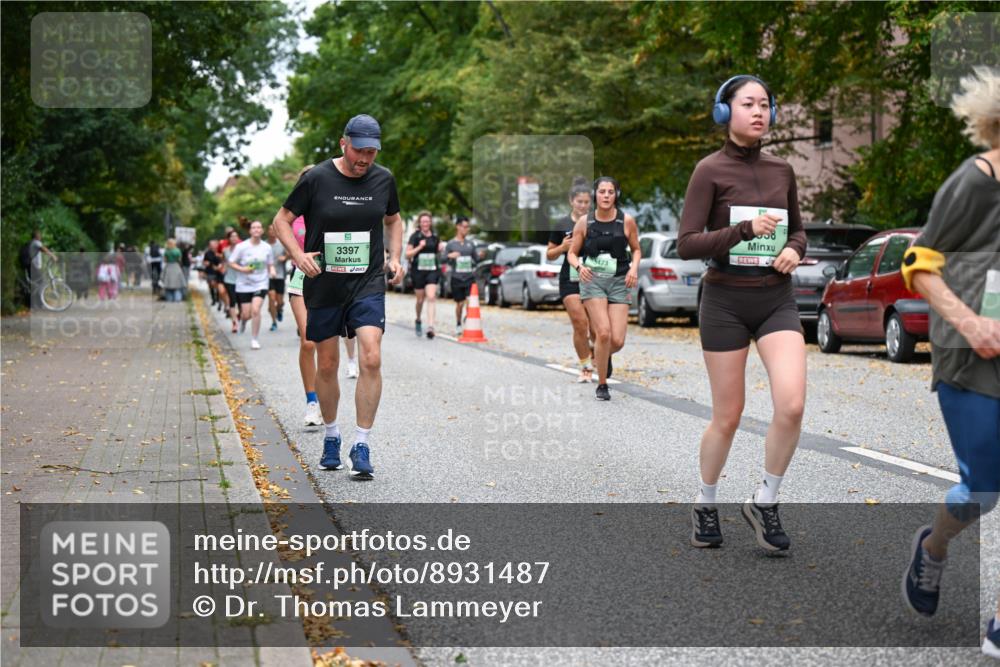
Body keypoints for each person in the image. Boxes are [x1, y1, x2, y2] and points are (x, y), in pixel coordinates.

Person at [675, 75, 807, 553]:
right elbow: (687, 244)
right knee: (728, 415)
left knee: (791, 404)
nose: (759, 111)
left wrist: (794, 249)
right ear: (723, 111)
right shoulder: (708, 170)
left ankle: (766, 500)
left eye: (766, 104)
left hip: (776, 298)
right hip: (725, 300)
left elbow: (798, 231)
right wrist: (744, 230)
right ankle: (705, 501)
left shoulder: (782, 170)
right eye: (748, 103)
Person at [897, 67, 1000, 659]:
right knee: (983, 490)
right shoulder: (974, 182)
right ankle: (934, 548)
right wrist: (970, 322)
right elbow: (919, 262)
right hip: (971, 356)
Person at [272, 114, 403, 480]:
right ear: (343, 143)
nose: (365, 159)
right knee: (326, 365)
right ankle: (332, 435)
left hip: (367, 282)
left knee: (371, 357)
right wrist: (298, 255)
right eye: (359, 150)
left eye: (372, 152)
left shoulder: (384, 178)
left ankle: (361, 444)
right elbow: (280, 220)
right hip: (325, 283)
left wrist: (395, 257)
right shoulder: (316, 178)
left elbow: (393, 220)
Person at [567, 177, 640, 401]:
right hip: (593, 280)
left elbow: (636, 250)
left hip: (620, 280)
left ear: (616, 194)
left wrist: (634, 269)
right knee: (604, 332)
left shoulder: (626, 221)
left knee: (616, 340)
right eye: (602, 192)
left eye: (610, 192)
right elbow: (571, 253)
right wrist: (579, 267)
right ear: (595, 195)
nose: (606, 196)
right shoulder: (584, 223)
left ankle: (601, 351)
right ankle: (602, 385)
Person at [548, 178, 595, 383]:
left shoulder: (597, 222)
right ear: (571, 201)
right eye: (580, 202)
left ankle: (597, 353)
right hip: (570, 278)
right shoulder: (561, 224)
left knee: (596, 328)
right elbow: (549, 253)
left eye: (586, 202)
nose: (583, 206)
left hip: (594, 278)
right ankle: (585, 366)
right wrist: (562, 248)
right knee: (580, 323)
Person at [229, 220, 276, 350]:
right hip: (244, 284)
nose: (256, 229)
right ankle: (243, 320)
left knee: (256, 310)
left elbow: (270, 263)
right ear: (250, 231)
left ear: (262, 231)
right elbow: (231, 262)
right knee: (246, 314)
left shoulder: (266, 247)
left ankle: (254, 339)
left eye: (258, 227)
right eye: (253, 227)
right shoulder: (241, 247)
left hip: (260, 283)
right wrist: (242, 269)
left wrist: (272, 270)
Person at [406, 211, 445, 338]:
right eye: (423, 221)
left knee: (432, 297)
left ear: (430, 223)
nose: (425, 224)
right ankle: (418, 319)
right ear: (420, 223)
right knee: (420, 300)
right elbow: (407, 255)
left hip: (432, 270)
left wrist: (440, 249)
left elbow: (438, 253)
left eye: (427, 221)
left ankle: (430, 327)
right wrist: (419, 247)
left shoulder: (434, 237)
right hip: (418, 271)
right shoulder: (415, 236)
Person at [444, 215, 479, 336]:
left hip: (469, 277)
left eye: (468, 227)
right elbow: (443, 259)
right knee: (460, 304)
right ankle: (458, 323)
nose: (466, 229)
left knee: (471, 301)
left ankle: (468, 317)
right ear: (458, 227)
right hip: (457, 278)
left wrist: (481, 255)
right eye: (464, 227)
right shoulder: (451, 244)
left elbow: (476, 259)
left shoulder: (471, 244)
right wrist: (450, 256)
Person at [267, 224, 288, 331]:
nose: (272, 232)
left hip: (280, 275)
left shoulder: (282, 244)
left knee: (280, 302)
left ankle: (279, 309)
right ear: (267, 232)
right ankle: (274, 322)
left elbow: (290, 253)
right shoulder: (264, 245)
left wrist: (284, 257)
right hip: (267, 276)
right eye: (270, 230)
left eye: (274, 230)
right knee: (271, 297)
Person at [222, 229, 242, 331]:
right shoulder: (225, 250)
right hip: (229, 279)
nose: (234, 238)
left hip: (242, 279)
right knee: (232, 300)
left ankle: (239, 316)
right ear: (229, 239)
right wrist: (223, 268)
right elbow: (225, 262)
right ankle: (234, 322)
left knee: (241, 303)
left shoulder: (242, 249)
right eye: (232, 236)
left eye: (236, 236)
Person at [202, 239, 222, 308]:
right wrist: (206, 263)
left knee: (217, 286)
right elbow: (204, 261)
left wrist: (219, 266)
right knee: (211, 285)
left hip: (218, 271)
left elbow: (222, 261)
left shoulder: (220, 252)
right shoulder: (207, 253)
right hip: (210, 271)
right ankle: (213, 298)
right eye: (211, 245)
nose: (213, 246)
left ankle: (218, 298)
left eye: (214, 245)